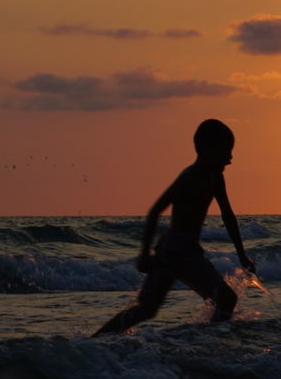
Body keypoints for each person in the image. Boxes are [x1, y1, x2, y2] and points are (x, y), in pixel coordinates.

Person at [93, 119, 255, 335]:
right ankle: (209, 343)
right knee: (226, 299)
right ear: (207, 150)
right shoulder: (189, 177)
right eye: (226, 151)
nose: (230, 159)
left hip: (175, 249)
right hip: (179, 250)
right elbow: (155, 211)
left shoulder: (215, 177)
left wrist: (242, 255)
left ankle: (97, 341)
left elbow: (227, 215)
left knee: (146, 309)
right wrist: (143, 255)